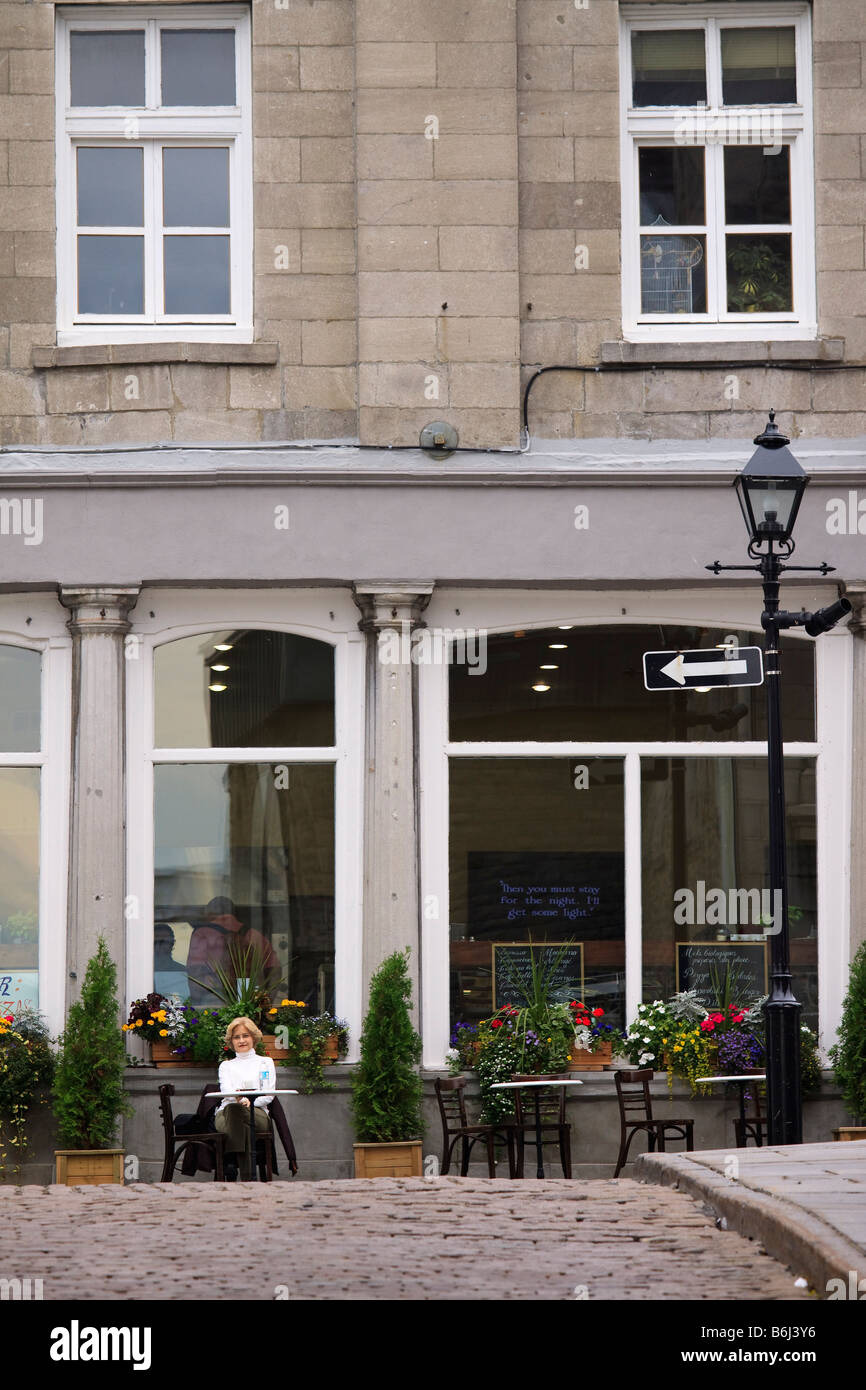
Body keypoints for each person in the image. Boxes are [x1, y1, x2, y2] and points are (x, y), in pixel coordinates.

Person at [186, 896, 280, 1005]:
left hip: (214, 997)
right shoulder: (254, 935)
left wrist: (196, 1002)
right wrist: (268, 1001)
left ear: (208, 913)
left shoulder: (201, 933)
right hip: (249, 997)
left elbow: (195, 971)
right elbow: (274, 970)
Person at [214, 1017, 276, 1182]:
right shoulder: (226, 1066)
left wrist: (251, 1102)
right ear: (231, 1041)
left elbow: (269, 1094)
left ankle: (231, 1161)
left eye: (245, 1036)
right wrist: (241, 1101)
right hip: (227, 1113)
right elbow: (227, 1092)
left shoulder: (266, 1062)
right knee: (238, 1116)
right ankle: (249, 1179)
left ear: (253, 1038)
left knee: (242, 1119)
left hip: (257, 1112)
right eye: (237, 1037)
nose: (241, 1040)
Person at [153, 922, 188, 999]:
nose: (160, 945)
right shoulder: (142, 973)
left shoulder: (182, 972)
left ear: (172, 944)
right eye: (156, 941)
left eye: (164, 941)